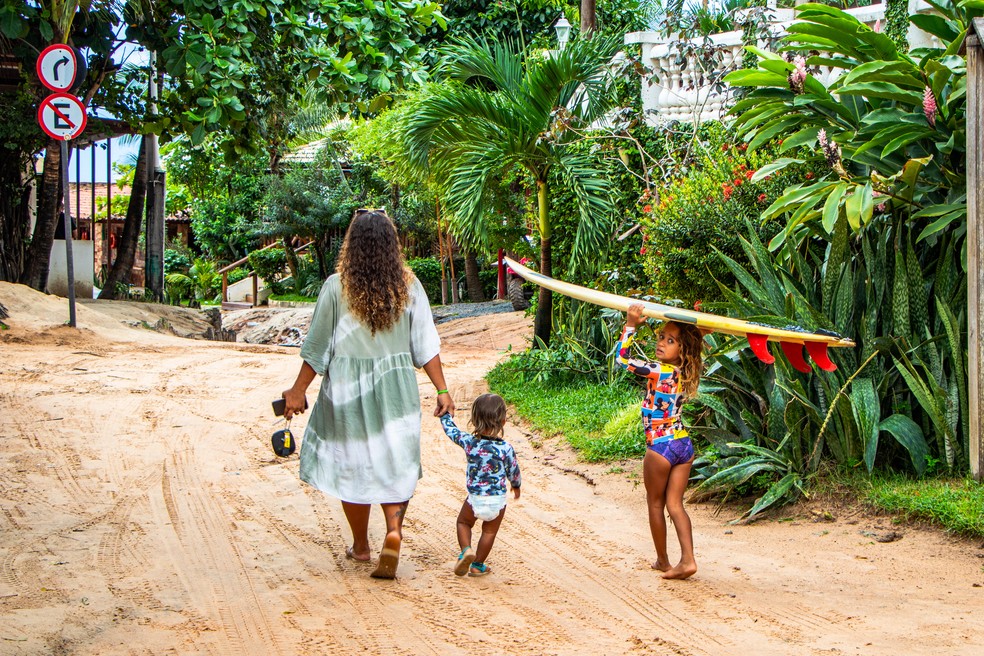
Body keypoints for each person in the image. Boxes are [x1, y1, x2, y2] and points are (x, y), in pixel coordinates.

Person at [281, 209, 455, 580]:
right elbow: (425, 345)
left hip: (347, 391)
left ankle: (361, 546)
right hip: (395, 390)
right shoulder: (410, 286)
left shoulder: (335, 286)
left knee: (353, 463)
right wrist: (442, 389)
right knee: (394, 459)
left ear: (352, 244)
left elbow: (317, 347)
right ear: (392, 245)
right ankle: (393, 529)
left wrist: (298, 391)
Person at [615, 303, 704, 580]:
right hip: (683, 445)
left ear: (683, 349)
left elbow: (622, 360)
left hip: (661, 447)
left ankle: (663, 561)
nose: (661, 343)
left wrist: (631, 325)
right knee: (675, 504)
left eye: (670, 340)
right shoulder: (683, 372)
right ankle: (688, 560)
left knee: (655, 503)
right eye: (661, 337)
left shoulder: (659, 370)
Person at [439, 393, 521, 577]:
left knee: (463, 522)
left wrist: (445, 415)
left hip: (475, 498)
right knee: (489, 533)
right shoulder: (505, 448)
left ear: (474, 420)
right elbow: (513, 470)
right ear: (503, 421)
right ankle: (477, 565)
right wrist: (516, 486)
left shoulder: (470, 443)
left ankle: (466, 550)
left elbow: (451, 431)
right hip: (497, 501)